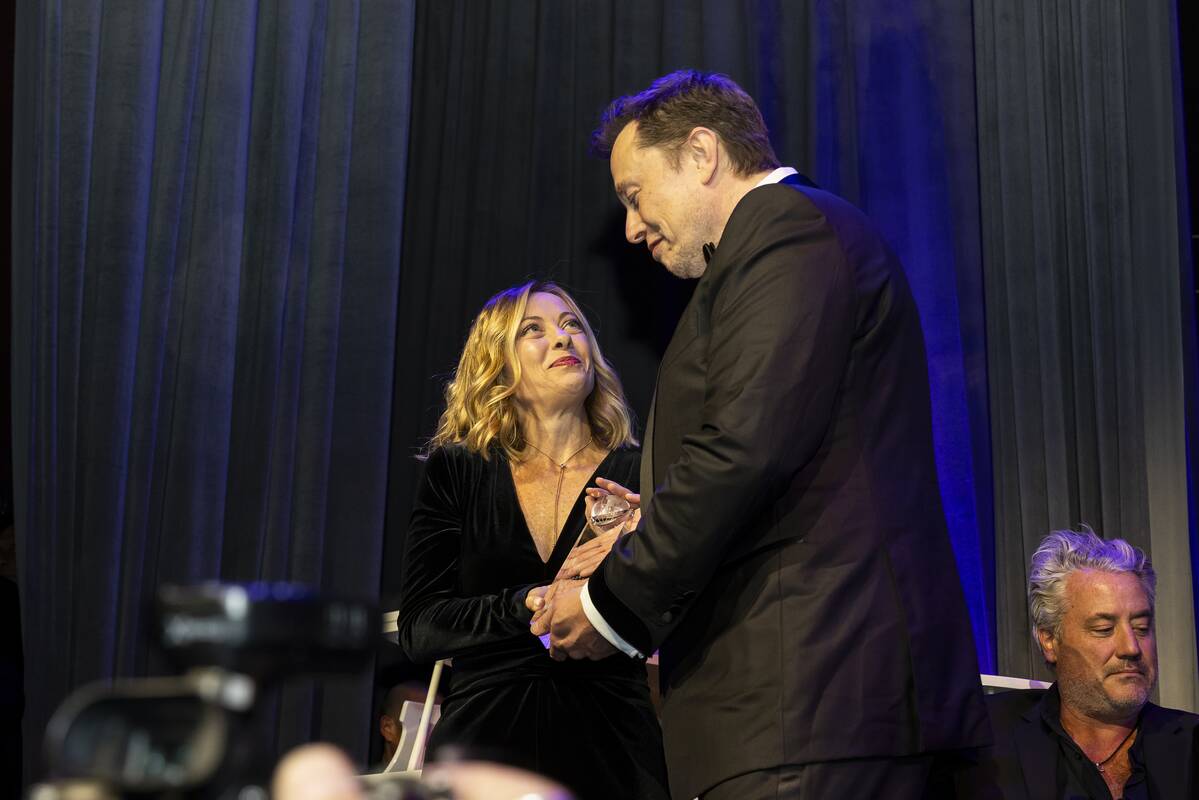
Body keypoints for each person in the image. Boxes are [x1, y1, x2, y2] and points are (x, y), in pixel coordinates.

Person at [529, 70, 990, 799]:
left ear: (701, 153)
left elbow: (742, 451)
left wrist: (606, 604)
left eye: (634, 194)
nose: (632, 227)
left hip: (811, 708)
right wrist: (643, 529)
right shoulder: (774, 246)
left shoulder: (785, 230)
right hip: (799, 714)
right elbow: (780, 454)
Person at [396, 281, 669, 800]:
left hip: (614, 744)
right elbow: (420, 628)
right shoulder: (459, 470)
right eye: (533, 330)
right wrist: (529, 603)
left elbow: (674, 618)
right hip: (485, 744)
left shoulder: (643, 474)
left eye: (572, 325)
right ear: (497, 363)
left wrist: (648, 542)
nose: (563, 339)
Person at [955, 529, 1199, 799]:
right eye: (1104, 629)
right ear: (1049, 640)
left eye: (1141, 628)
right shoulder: (984, 739)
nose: (1131, 648)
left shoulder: (1190, 744)